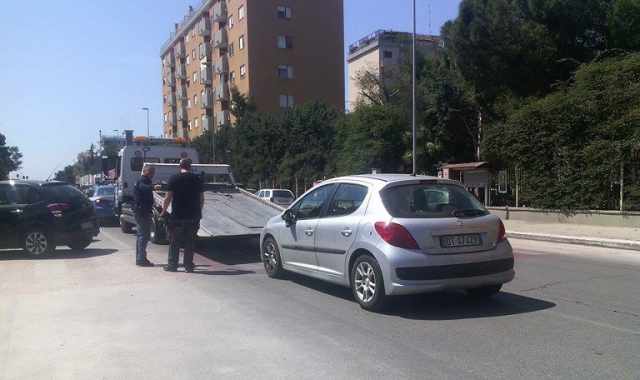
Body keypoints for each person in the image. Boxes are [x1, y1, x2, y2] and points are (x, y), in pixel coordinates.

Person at [160, 159, 204, 272]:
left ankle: (172, 265)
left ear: (180, 167)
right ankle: (188, 266)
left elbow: (168, 197)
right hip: (193, 216)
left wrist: (164, 211)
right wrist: (199, 211)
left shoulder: (174, 178)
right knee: (190, 242)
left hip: (178, 216)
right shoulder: (197, 179)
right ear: (190, 167)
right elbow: (201, 198)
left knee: (175, 241)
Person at [133, 165, 156, 267]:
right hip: (142, 212)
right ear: (146, 172)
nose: (153, 174)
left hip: (141, 211)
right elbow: (144, 188)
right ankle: (141, 259)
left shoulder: (145, 180)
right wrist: (153, 187)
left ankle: (140, 258)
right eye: (151, 172)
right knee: (144, 235)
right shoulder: (142, 180)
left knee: (141, 236)